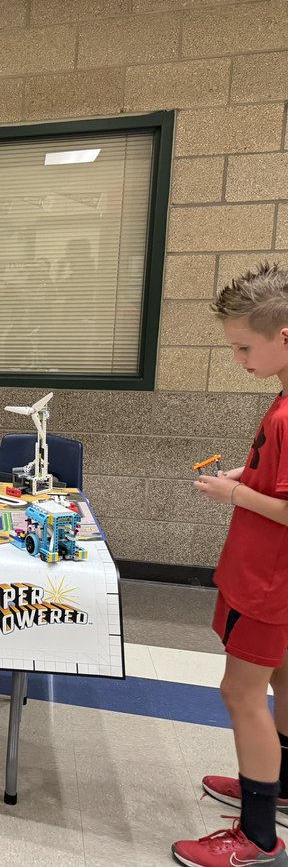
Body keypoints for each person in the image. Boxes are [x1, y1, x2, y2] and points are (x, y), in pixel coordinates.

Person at [174, 262, 288, 867]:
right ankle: (278, 782)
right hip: (274, 580)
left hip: (270, 583)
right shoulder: (282, 400)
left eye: (246, 346)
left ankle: (259, 835)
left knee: (240, 694)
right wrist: (251, 476)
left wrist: (237, 495)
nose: (241, 359)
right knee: (281, 682)